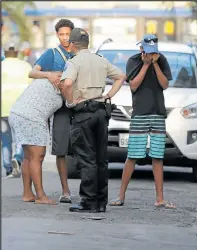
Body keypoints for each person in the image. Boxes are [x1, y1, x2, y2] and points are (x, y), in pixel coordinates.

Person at [60, 28, 125, 213]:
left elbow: (67, 83)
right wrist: (108, 95)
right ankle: (100, 202)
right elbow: (121, 76)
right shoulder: (101, 60)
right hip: (100, 111)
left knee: (87, 159)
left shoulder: (73, 62)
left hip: (83, 113)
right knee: (101, 159)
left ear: (72, 44)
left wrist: (70, 101)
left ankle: (88, 202)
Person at [109, 34, 175, 209]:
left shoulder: (162, 60)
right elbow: (133, 85)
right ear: (141, 49)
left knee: (157, 156)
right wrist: (146, 65)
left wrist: (155, 64)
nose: (150, 54)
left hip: (158, 113)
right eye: (147, 51)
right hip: (140, 113)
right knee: (133, 155)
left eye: (153, 51)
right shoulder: (133, 61)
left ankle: (160, 198)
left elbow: (165, 84)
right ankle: (121, 196)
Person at [28, 19, 74, 203]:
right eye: (61, 34)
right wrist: (48, 74)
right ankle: (65, 191)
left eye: (67, 34)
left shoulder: (80, 53)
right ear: (57, 35)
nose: (64, 38)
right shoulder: (52, 54)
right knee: (61, 149)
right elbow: (33, 72)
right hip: (60, 107)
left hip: (78, 104)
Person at [1, 43, 32, 178]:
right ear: (17, 52)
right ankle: (18, 158)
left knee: (6, 140)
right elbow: (33, 88)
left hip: (3, 109)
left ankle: (8, 168)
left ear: (5, 52)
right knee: (20, 137)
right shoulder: (25, 66)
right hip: (21, 108)